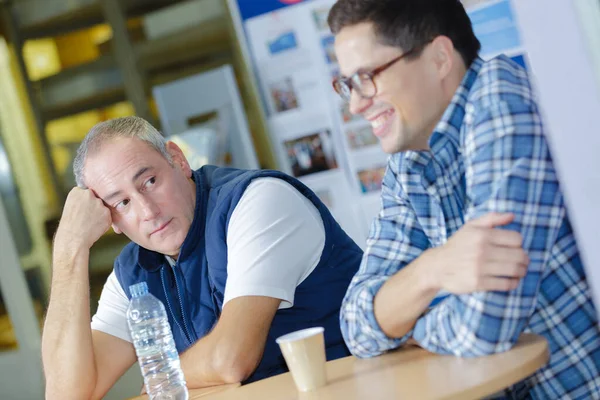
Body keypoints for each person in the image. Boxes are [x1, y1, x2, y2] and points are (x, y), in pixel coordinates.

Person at [328, 0, 600, 398]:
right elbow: (356, 326)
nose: (354, 104)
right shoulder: (407, 163)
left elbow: (486, 323)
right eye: (348, 84)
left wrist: (410, 325)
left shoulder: (500, 98)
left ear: (439, 58)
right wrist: (431, 269)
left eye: (367, 76)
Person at [41, 116, 363, 399]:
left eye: (150, 182)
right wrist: (70, 248)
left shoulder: (257, 201)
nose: (147, 211)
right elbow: (67, 394)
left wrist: (159, 376)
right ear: (110, 220)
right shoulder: (134, 272)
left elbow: (231, 358)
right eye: (122, 203)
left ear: (178, 160)